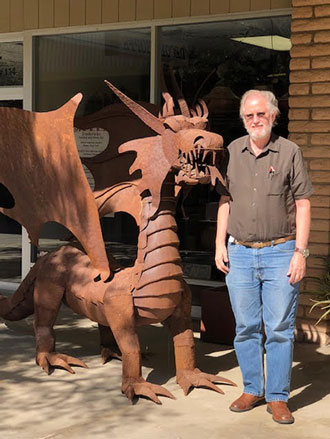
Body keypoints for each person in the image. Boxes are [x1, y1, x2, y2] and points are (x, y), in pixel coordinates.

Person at [215, 89, 313, 424]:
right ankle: (253, 389)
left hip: (280, 253)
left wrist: (300, 252)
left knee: (279, 330)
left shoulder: (289, 152)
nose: (255, 120)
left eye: (261, 114)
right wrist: (219, 245)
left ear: (273, 116)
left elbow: (303, 203)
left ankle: (277, 397)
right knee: (245, 327)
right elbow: (225, 202)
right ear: (243, 119)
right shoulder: (231, 153)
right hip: (239, 253)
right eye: (249, 115)